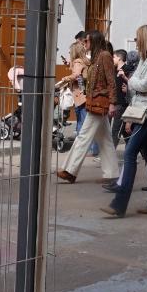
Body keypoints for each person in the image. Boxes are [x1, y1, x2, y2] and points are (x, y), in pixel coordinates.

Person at [102, 25, 147, 217]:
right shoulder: (145, 59)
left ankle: (119, 204)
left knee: (130, 154)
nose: (136, 42)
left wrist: (129, 80)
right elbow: (135, 89)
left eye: (138, 38)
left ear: (146, 39)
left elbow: (143, 85)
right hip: (139, 111)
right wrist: (133, 83)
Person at [57, 31, 118, 186]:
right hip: (94, 101)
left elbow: (111, 81)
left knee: (83, 136)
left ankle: (70, 171)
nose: (84, 44)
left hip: (99, 103)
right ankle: (111, 174)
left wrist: (112, 103)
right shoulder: (97, 57)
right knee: (105, 140)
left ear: (94, 41)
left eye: (87, 41)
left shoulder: (104, 56)